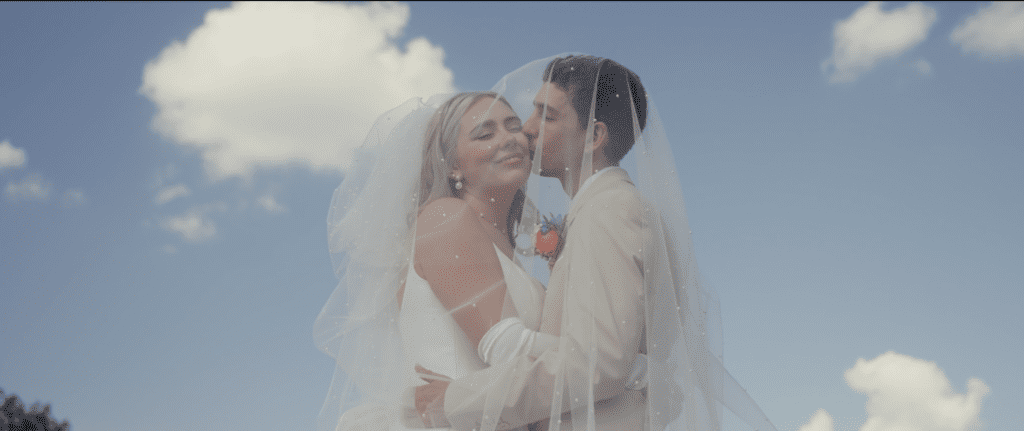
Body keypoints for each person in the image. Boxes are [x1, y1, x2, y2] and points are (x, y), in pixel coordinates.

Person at [412, 54, 780, 431]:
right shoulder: (599, 212)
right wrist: (645, 372)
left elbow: (599, 361)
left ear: (594, 137)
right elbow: (602, 358)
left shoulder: (611, 210)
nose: (525, 131)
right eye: (488, 132)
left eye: (546, 116)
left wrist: (456, 401)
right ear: (450, 162)